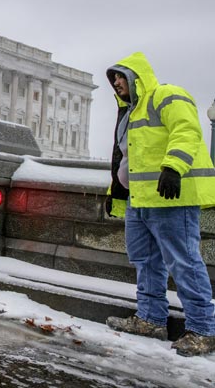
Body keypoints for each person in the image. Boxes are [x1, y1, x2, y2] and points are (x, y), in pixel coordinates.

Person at [103, 52, 215, 356]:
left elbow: (187, 130)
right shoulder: (131, 113)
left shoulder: (166, 95)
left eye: (120, 76)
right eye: (113, 78)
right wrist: (116, 193)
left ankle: (203, 329)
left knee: (184, 260)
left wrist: (173, 167)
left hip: (171, 198)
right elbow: (128, 158)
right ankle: (151, 319)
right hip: (140, 201)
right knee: (145, 261)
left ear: (136, 77)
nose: (115, 82)